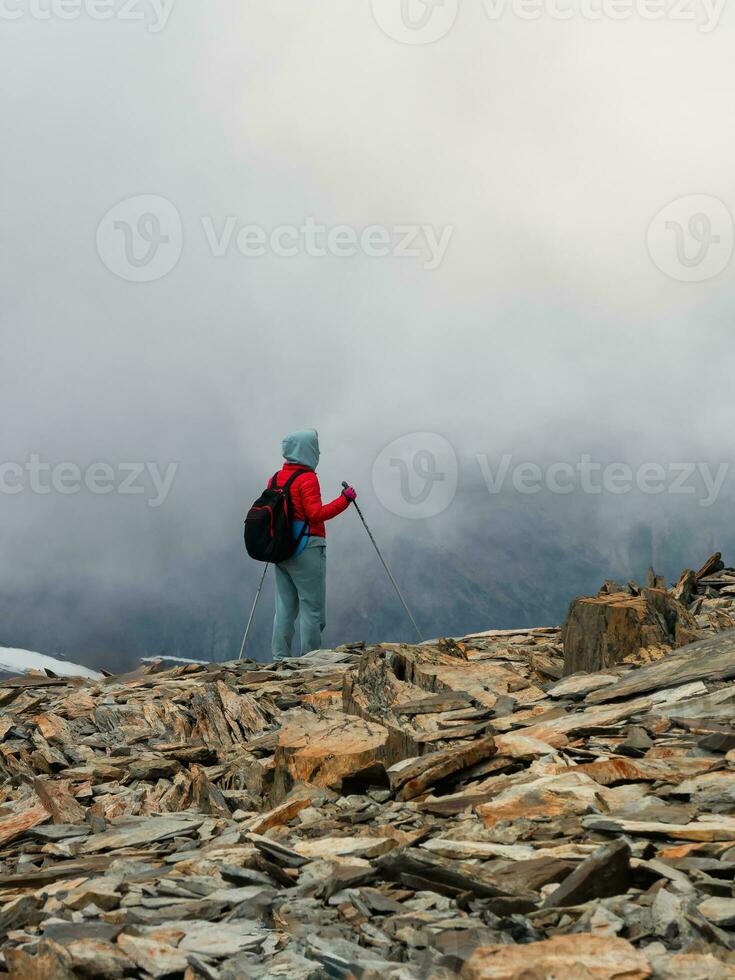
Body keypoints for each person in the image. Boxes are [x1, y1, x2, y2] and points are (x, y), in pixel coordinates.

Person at [271, 429, 356, 662]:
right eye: (315, 447)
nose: (318, 452)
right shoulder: (308, 479)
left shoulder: (277, 477)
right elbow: (316, 514)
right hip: (308, 546)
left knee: (285, 607)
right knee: (312, 608)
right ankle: (311, 660)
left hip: (280, 549)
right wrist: (345, 499)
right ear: (306, 450)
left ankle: (280, 657)